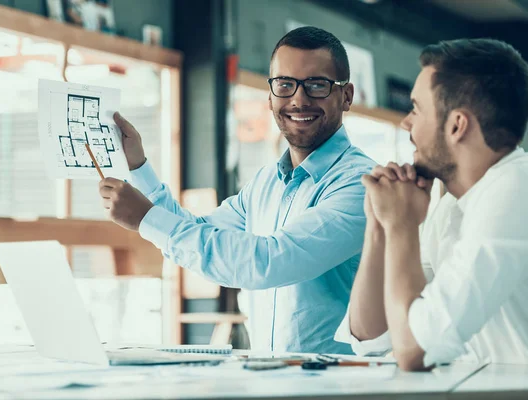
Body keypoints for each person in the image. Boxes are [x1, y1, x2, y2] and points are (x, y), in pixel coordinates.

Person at [98, 27, 375, 354]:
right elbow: (197, 232)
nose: (298, 100)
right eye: (285, 85)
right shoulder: (265, 184)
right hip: (270, 380)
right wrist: (139, 167)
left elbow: (269, 261)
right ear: (270, 95)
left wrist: (147, 219)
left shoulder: (362, 184)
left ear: (346, 96)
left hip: (339, 386)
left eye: (317, 85)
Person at [336, 38, 528, 370]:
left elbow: (412, 349)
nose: (407, 122)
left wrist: (402, 226)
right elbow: (371, 336)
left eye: (416, 109)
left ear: (457, 125)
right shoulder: (454, 206)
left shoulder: (521, 186)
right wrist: (380, 227)